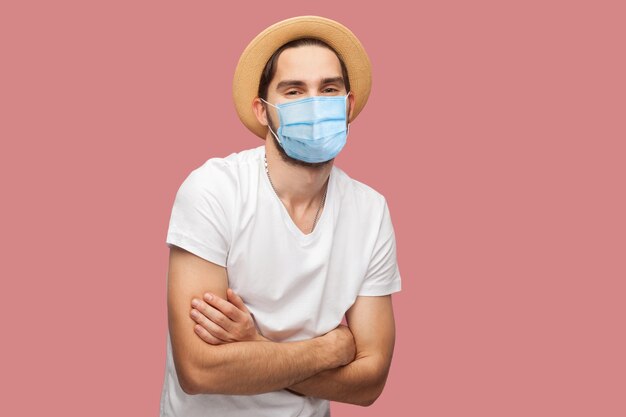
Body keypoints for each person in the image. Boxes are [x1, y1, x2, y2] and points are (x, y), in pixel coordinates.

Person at [160, 15, 402, 417]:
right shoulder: (213, 191)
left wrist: (256, 346)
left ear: (348, 105)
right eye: (294, 91)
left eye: (328, 89)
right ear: (262, 110)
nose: (314, 104)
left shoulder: (370, 210)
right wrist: (329, 349)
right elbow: (198, 370)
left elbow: (370, 382)